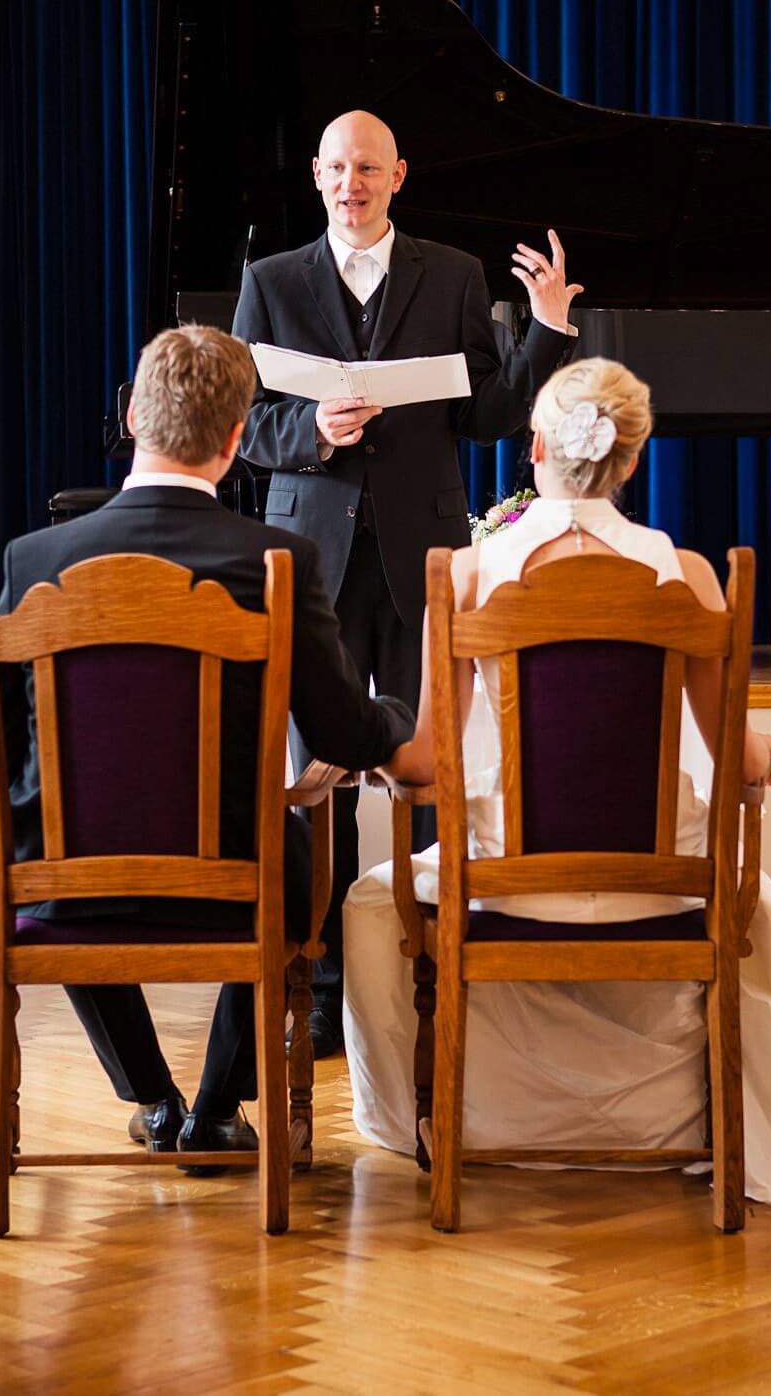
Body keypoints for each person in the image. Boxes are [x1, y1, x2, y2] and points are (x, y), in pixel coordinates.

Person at [342, 357, 771, 1219]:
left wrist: (379, 752)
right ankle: (683, 1120)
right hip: (661, 888)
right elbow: (739, 761)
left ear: (532, 445)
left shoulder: (461, 574)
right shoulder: (683, 573)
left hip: (501, 888)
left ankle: (451, 1120)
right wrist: (765, 750)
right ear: (632, 461)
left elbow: (423, 765)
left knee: (370, 906)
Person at [0, 325, 413, 1167]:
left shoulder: (32, 558)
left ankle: (155, 1098)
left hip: (63, 889)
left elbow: (7, 744)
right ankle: (219, 1107)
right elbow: (338, 734)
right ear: (236, 438)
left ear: (133, 420)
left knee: (48, 854)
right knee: (296, 850)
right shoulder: (275, 560)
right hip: (237, 880)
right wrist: (402, 716)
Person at [232, 109, 581, 1053]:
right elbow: (240, 424)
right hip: (309, 562)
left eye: (369, 169)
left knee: (427, 767)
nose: (352, 184)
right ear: (315, 174)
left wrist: (546, 330)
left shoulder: (452, 275)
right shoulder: (268, 282)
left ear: (398, 176)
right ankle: (325, 986)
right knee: (322, 775)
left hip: (417, 561)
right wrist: (309, 433)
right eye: (337, 168)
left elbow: (493, 415)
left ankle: (431, 967)